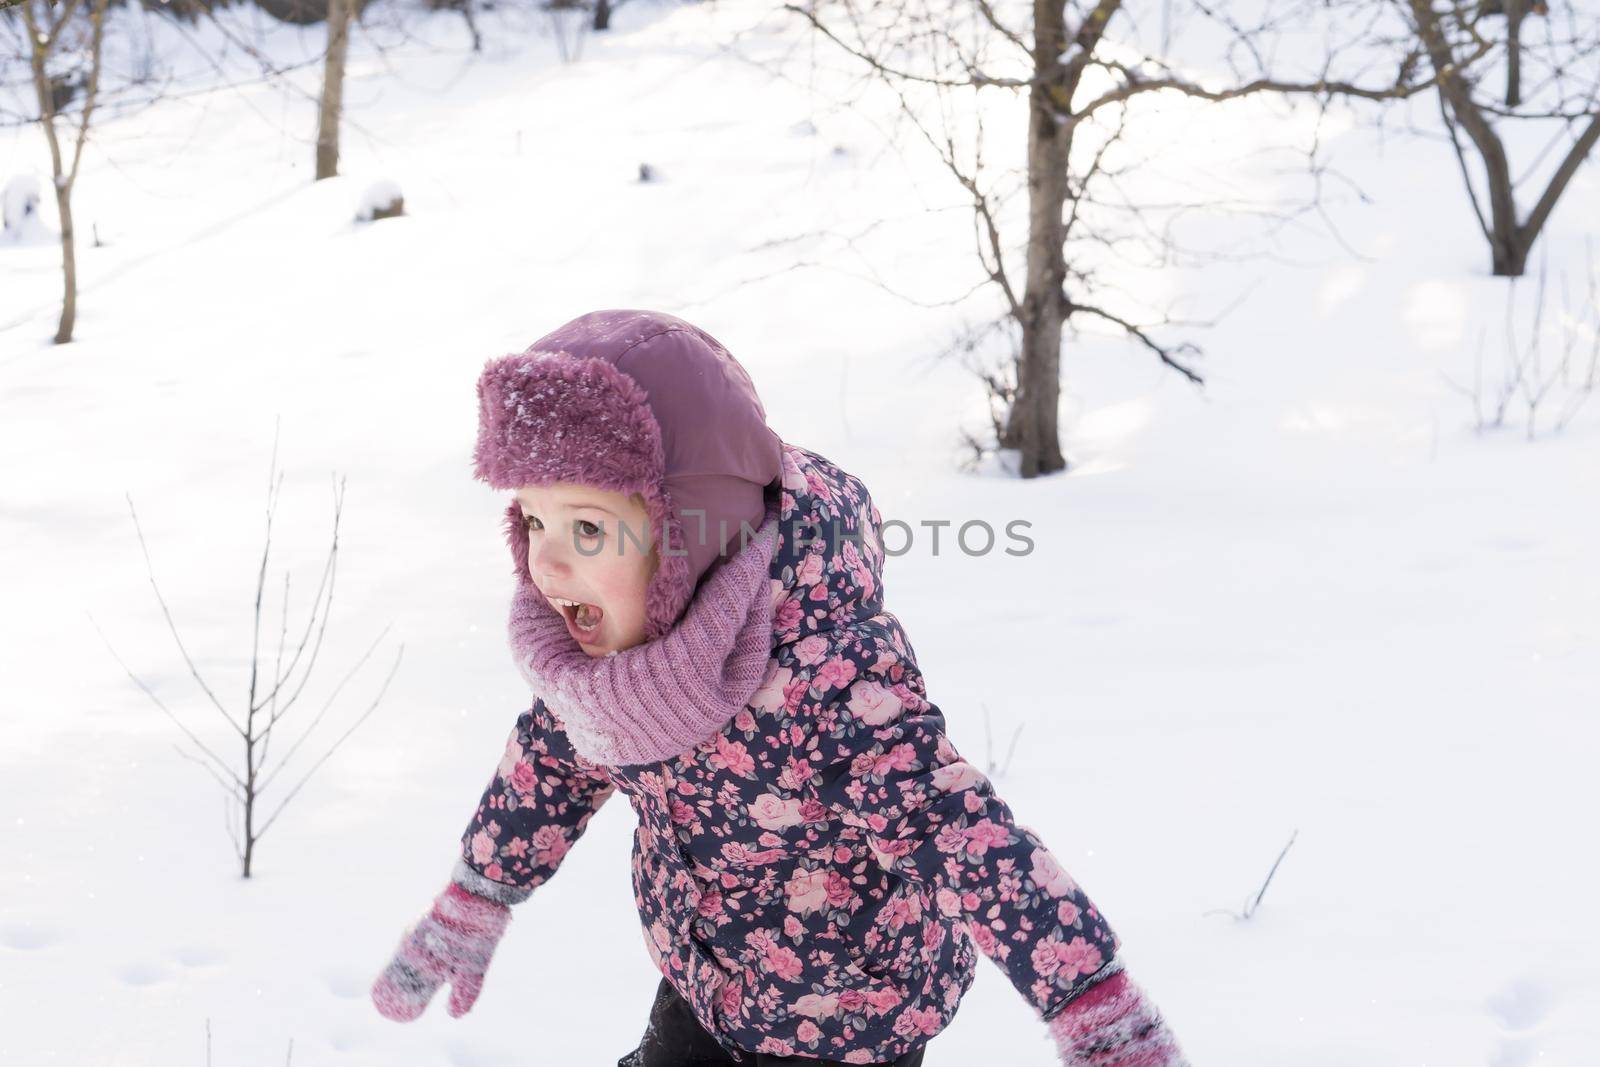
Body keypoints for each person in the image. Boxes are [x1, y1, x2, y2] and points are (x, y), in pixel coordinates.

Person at [370, 309, 1190, 1066]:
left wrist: (1094, 1001)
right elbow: (549, 763)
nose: (545, 564)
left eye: (588, 527)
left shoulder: (823, 681)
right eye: (533, 521)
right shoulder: (603, 663)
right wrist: (476, 894)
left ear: (690, 530)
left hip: (850, 1015)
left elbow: (961, 832)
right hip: (709, 981)